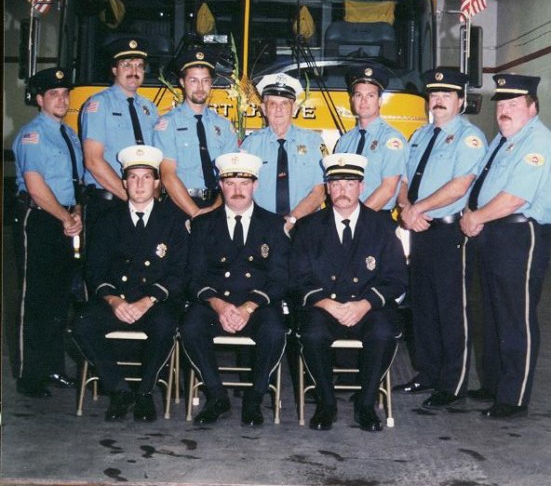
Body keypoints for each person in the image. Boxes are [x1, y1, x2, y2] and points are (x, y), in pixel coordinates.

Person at [72, 145, 188, 422]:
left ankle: (145, 393)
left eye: (146, 177)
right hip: (118, 301)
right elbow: (95, 271)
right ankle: (119, 390)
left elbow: (179, 272)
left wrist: (147, 301)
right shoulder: (107, 220)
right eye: (133, 177)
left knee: (165, 325)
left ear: (157, 182)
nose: (139, 184)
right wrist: (114, 301)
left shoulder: (173, 221)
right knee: (81, 324)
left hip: (154, 303)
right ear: (123, 182)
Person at [293, 153, 406, 432]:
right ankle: (326, 404)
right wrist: (326, 304)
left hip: (367, 308)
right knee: (312, 332)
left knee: (383, 331)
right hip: (325, 307)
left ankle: (366, 405)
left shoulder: (381, 226)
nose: (343, 190)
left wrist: (365, 304)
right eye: (336, 184)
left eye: (350, 183)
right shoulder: (308, 227)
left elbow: (396, 278)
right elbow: (297, 277)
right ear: (328, 188)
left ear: (361, 187)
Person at [460, 73, 551, 419]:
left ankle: (513, 397)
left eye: (514, 104)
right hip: (493, 234)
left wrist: (476, 217)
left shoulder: (537, 142)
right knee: (493, 313)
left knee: (516, 316)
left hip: (519, 235)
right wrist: (473, 214)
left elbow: (514, 198)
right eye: (502, 104)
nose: (505, 110)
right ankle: (495, 383)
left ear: (532, 107)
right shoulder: (503, 139)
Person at [395, 69, 487, 408]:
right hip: (419, 231)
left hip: (449, 232)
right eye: (434, 95)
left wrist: (417, 209)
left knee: (451, 308)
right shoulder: (418, 135)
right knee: (423, 306)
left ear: (461, 101)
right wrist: (406, 208)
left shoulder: (469, 137)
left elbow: (460, 186)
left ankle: (454, 382)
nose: (438, 100)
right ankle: (428, 373)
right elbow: (403, 180)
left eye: (447, 95)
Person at [180, 152, 290, 427]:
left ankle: (254, 398)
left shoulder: (274, 225)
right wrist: (218, 305)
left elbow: (280, 278)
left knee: (275, 330)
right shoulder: (203, 224)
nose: (238, 190)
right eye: (231, 183)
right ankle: (217, 396)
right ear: (221, 185)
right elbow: (193, 277)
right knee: (191, 327)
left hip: (256, 307)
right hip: (215, 305)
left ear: (255, 185)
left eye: (244, 183)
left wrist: (248, 307)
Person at [13, 67, 84, 397]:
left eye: (65, 94)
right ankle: (30, 376)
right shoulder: (33, 135)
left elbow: (75, 183)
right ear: (39, 99)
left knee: (58, 299)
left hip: (65, 220)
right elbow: (36, 185)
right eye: (54, 94)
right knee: (35, 299)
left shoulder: (69, 134)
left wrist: (77, 213)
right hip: (40, 220)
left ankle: (53, 368)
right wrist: (63, 217)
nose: (62, 99)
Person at [80, 36, 158, 234]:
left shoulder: (149, 108)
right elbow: (93, 161)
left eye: (139, 66)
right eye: (127, 65)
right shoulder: (98, 105)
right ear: (114, 70)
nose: (134, 72)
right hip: (109, 202)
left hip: (142, 203)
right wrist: (129, 197)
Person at [154, 47, 238, 218]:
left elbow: (230, 175)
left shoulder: (224, 126)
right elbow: (168, 175)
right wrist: (196, 213)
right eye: (193, 80)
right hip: (180, 206)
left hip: (218, 205)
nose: (200, 87)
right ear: (182, 82)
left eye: (205, 81)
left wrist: (215, 209)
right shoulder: (167, 124)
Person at [240, 73, 327, 234]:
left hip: (304, 226)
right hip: (263, 229)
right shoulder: (251, 144)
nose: (279, 109)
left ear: (294, 109)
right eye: (272, 104)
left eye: (285, 104)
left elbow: (319, 192)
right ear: (264, 109)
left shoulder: (313, 142)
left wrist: (292, 219)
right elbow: (242, 191)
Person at [335, 63, 407, 220]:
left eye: (370, 96)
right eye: (359, 95)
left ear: (380, 101)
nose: (364, 101)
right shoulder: (344, 141)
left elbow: (388, 189)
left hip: (375, 218)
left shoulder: (391, 140)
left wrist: (356, 220)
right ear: (352, 100)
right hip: (345, 218)